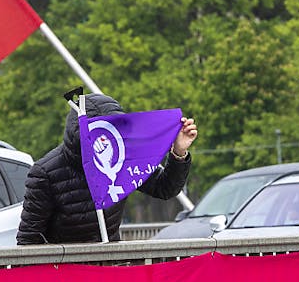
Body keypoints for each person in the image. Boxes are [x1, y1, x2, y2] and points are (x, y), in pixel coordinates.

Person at [17, 93, 198, 244]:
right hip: (66, 273)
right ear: (82, 134)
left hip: (110, 266)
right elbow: (29, 238)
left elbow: (165, 188)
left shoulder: (125, 158)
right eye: (99, 136)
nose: (105, 141)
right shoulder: (45, 173)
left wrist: (179, 152)